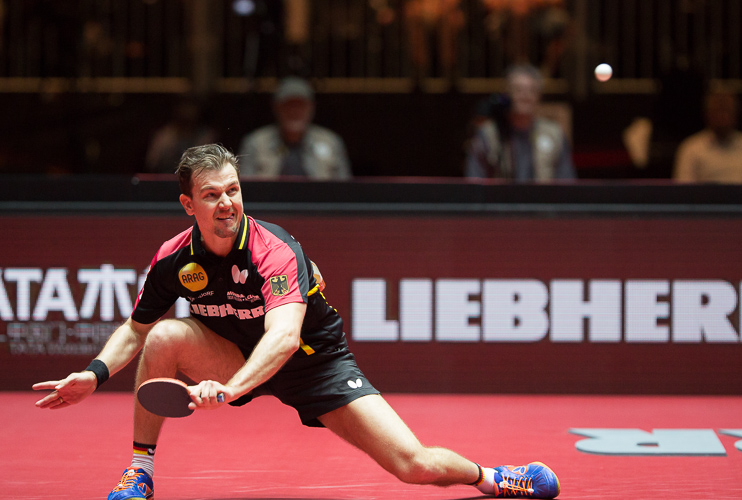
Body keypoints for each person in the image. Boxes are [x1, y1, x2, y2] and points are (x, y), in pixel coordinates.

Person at [33, 144, 560, 500]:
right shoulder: (174, 259)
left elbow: (284, 338)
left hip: (314, 365)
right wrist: (94, 373)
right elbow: (137, 327)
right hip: (236, 354)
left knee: (413, 465)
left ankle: (494, 479)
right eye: (212, 194)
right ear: (187, 203)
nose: (226, 203)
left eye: (233, 189)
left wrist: (230, 388)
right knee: (168, 334)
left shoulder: (275, 249)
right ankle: (140, 472)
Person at [465, 64, 575, 181]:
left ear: (539, 96)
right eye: (518, 89)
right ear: (506, 94)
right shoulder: (489, 133)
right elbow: (474, 181)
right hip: (500, 198)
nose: (525, 96)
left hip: (543, 199)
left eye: (531, 90)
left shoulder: (554, 134)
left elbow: (567, 182)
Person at [238, 77, 352, 179]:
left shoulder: (331, 143)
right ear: (276, 107)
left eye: (300, 105)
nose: (294, 112)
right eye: (289, 105)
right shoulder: (256, 143)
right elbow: (244, 191)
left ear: (311, 108)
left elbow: (345, 192)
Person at [673, 89, 742, 184]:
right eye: (717, 110)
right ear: (707, 114)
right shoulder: (691, 148)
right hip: (703, 198)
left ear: (736, 113)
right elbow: (683, 190)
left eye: (726, 110)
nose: (722, 116)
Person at [145, 98, 217, 174]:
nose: (187, 112)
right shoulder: (164, 136)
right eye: (184, 108)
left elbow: (212, 166)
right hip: (166, 180)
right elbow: (151, 164)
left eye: (191, 108)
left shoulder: (206, 137)